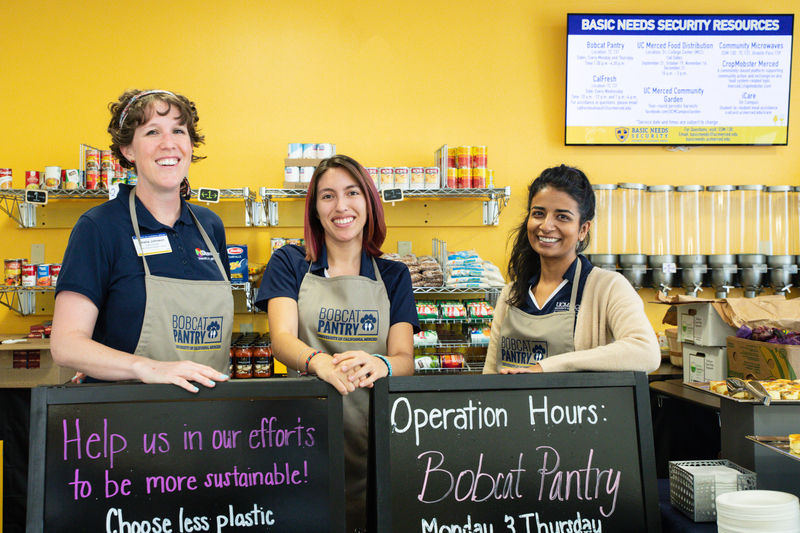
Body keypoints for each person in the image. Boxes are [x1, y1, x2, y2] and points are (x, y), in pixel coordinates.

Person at [255, 154, 418, 532]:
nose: (341, 206)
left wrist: (384, 364)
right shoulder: (290, 263)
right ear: (314, 208)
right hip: (300, 433)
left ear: (369, 202)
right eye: (327, 196)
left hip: (373, 436)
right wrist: (318, 362)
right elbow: (281, 340)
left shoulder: (393, 276)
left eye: (352, 193)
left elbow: (405, 358)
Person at [51, 89, 232, 393]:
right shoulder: (99, 227)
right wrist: (147, 367)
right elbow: (66, 344)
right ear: (128, 150)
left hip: (209, 423)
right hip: (129, 423)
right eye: (151, 132)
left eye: (178, 130)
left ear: (190, 144)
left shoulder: (209, 227)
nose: (168, 143)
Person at [483, 164, 660, 374]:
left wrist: (547, 367)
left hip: (573, 408)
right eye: (538, 213)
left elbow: (646, 352)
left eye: (562, 217)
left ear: (583, 229)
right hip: (512, 407)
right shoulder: (511, 294)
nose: (546, 226)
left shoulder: (607, 287)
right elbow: (491, 374)